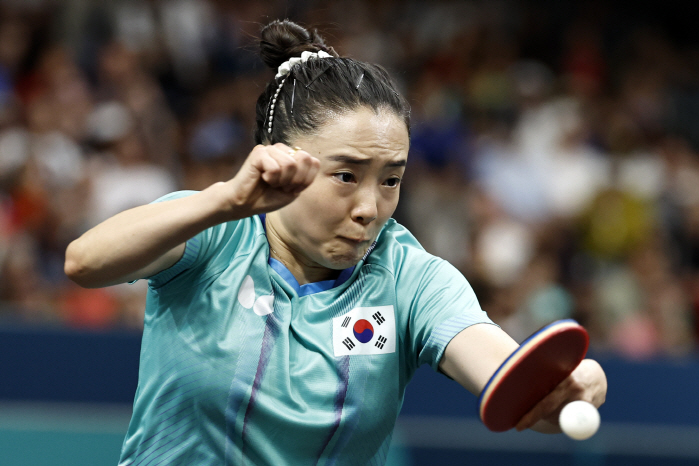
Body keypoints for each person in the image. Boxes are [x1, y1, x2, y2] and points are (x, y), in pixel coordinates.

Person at [65, 19, 607, 466]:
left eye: (391, 179)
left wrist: (562, 385)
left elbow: (497, 364)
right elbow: (85, 262)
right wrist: (225, 200)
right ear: (279, 155)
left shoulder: (408, 277)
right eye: (346, 176)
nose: (370, 206)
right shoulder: (214, 231)